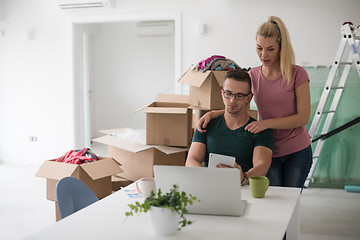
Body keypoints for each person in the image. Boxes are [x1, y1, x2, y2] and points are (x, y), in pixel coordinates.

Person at [197, 16, 313, 188]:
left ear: (281, 48)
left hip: (297, 150)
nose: (263, 55)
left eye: (270, 49)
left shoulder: (297, 74)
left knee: (289, 200)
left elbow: (303, 117)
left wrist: (265, 123)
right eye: (259, 48)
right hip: (268, 149)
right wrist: (213, 113)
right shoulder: (253, 75)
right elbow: (239, 101)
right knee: (271, 201)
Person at [185, 70, 274, 185]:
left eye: (239, 96)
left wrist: (242, 178)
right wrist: (207, 176)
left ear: (248, 98)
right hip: (208, 186)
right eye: (228, 94)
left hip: (243, 190)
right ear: (222, 94)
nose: (232, 100)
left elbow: (262, 166)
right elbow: (191, 161)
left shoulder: (260, 131)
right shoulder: (206, 124)